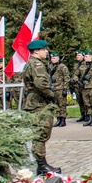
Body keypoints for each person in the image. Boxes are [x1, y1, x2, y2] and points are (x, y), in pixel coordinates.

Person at [21, 40, 60, 175]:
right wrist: (51, 95)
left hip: (34, 102)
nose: (46, 52)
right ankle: (42, 166)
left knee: (39, 133)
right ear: (36, 51)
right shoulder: (37, 65)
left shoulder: (30, 63)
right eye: (44, 49)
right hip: (39, 103)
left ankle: (42, 164)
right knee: (41, 133)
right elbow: (41, 83)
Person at [48, 52, 71, 126]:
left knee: (62, 105)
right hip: (53, 88)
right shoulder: (50, 67)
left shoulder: (62, 67)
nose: (52, 59)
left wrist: (65, 89)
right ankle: (58, 119)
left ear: (58, 58)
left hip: (60, 88)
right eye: (51, 58)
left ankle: (63, 119)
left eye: (54, 58)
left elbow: (66, 78)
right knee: (56, 105)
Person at [70, 50, 86, 121]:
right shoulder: (76, 65)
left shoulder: (86, 64)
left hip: (83, 85)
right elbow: (73, 74)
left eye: (79, 55)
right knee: (79, 101)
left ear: (83, 56)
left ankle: (88, 115)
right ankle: (82, 114)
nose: (77, 57)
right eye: (76, 55)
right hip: (76, 85)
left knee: (85, 101)